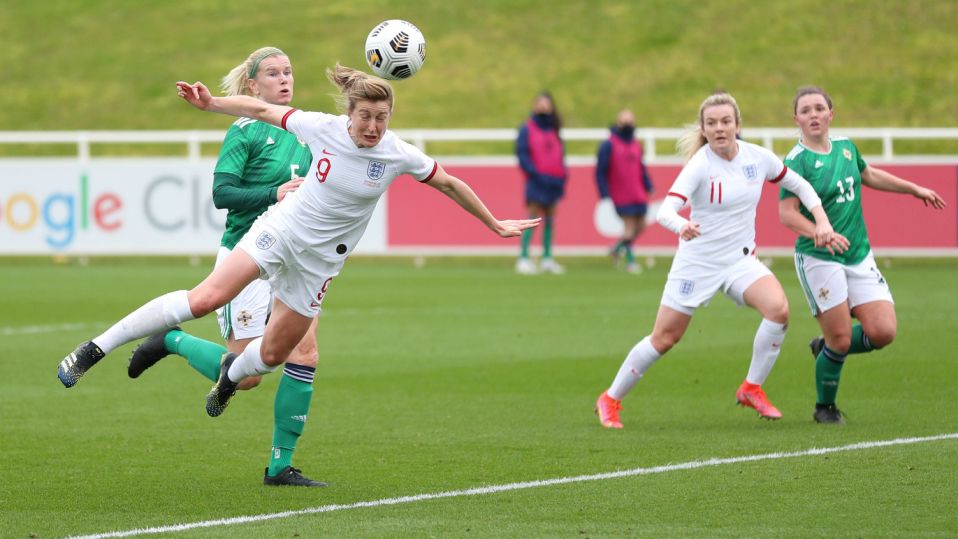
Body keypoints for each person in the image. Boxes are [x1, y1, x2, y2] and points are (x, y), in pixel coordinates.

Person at [57, 63, 540, 477]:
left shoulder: (398, 153)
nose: (373, 127)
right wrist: (211, 105)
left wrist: (493, 222)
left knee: (271, 357)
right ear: (349, 114)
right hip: (280, 232)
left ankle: (228, 378)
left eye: (381, 118)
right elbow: (261, 109)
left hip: (318, 266)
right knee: (206, 298)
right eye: (365, 117)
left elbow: (449, 183)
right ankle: (93, 349)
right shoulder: (322, 127)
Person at [122, 47, 325, 487]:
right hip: (245, 256)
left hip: (293, 258)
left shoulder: (308, 130)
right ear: (252, 86)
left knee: (305, 353)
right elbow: (223, 194)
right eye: (273, 73)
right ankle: (170, 340)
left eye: (288, 71)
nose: (284, 79)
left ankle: (280, 467)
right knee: (247, 376)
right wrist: (275, 193)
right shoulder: (244, 131)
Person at [594, 92, 847, 429]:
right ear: (703, 129)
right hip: (697, 263)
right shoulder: (700, 165)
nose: (719, 128)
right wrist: (682, 225)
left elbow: (800, 185)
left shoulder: (757, 157)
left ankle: (751, 388)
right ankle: (610, 398)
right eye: (711, 123)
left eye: (726, 121)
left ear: (737, 125)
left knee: (779, 311)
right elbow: (666, 210)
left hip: (739, 262)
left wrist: (822, 220)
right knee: (665, 338)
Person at [778, 86, 946, 424]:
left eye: (819, 108)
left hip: (858, 253)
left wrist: (913, 189)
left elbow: (868, 175)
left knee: (883, 332)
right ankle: (824, 407)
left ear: (831, 114)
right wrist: (818, 230)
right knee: (840, 339)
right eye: (806, 110)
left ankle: (824, 347)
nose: (813, 115)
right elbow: (787, 213)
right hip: (819, 257)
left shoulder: (846, 148)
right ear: (796, 119)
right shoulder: (795, 162)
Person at [515, 91, 568, 274]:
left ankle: (547, 258)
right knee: (532, 218)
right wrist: (534, 173)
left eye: (547, 104)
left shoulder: (554, 129)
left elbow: (560, 154)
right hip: (537, 180)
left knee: (550, 219)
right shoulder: (527, 128)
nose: (544, 107)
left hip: (554, 181)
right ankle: (523, 258)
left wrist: (562, 175)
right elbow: (522, 154)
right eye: (540, 103)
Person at [595, 109, 654, 274]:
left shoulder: (636, 145)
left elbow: (641, 168)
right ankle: (630, 261)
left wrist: (648, 185)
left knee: (641, 225)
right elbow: (600, 171)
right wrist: (604, 193)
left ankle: (616, 248)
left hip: (637, 192)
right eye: (624, 120)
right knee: (629, 227)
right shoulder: (609, 145)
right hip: (620, 193)